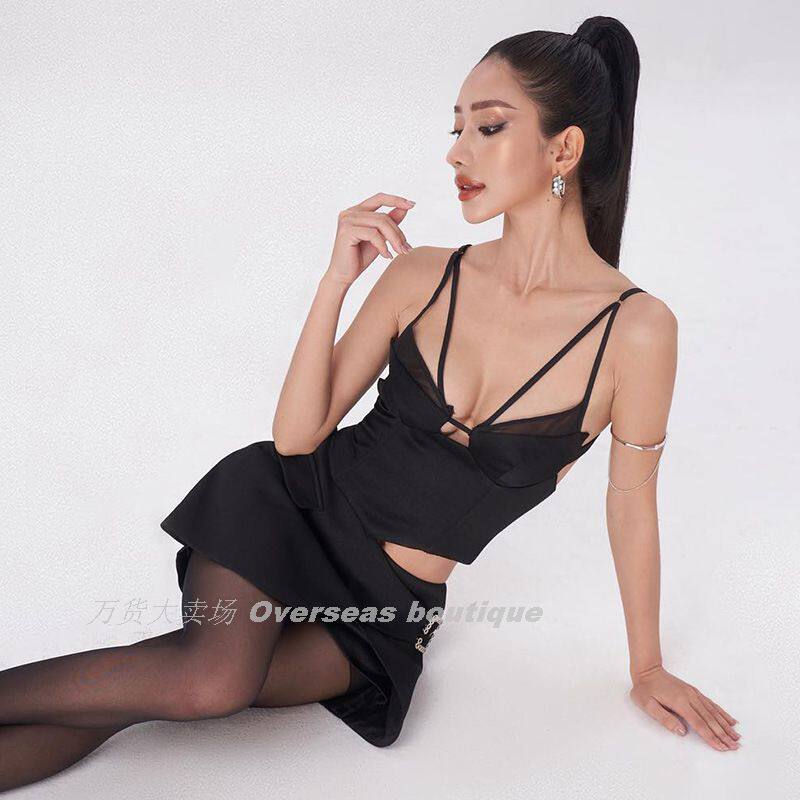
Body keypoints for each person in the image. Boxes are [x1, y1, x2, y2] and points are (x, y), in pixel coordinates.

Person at [0, 14, 740, 792]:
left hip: (385, 610)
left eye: (488, 127)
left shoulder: (637, 331)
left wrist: (647, 666)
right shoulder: (424, 274)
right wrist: (335, 282)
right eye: (456, 128)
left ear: (564, 150)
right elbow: (296, 439)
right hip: (291, 511)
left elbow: (632, 505)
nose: (457, 151)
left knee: (136, 697)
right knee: (207, 683)